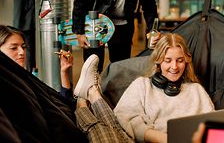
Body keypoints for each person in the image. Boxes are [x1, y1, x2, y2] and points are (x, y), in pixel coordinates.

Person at [73, 33, 215, 142]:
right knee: (108, 132)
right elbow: (124, 118)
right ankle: (91, 93)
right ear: (158, 61)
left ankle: (86, 99)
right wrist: (162, 139)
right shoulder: (143, 85)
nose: (174, 67)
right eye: (168, 60)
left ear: (187, 61)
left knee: (105, 133)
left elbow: (213, 126)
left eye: (180, 60)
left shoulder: (196, 90)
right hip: (138, 140)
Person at [72, 0, 158, 72]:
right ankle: (92, 88)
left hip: (123, 24)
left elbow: (149, 3)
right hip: (95, 23)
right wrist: (79, 31)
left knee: (120, 68)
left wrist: (153, 29)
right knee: (92, 67)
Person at [0, 25, 74, 102]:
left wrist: (64, 72)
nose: (22, 52)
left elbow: (61, 103)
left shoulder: (25, 78)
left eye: (23, 46)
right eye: (13, 48)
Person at [13, 0, 36, 72]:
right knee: (31, 53)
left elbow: (19, 1)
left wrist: (15, 25)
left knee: (23, 53)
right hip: (34, 20)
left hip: (22, 22)